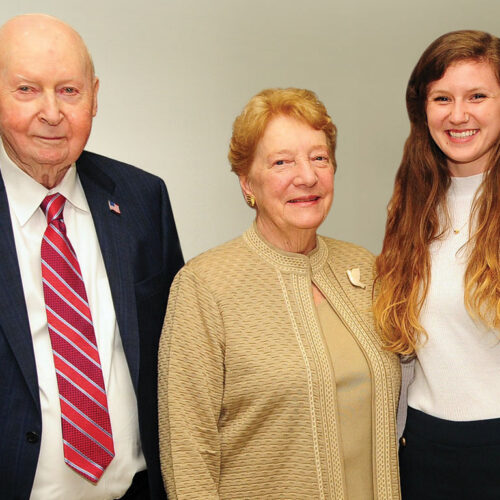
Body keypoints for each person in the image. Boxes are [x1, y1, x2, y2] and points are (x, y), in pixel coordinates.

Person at [158, 88, 401, 499]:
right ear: (246, 182)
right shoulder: (205, 285)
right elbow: (187, 452)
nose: (306, 176)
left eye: (319, 157)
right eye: (281, 162)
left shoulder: (365, 268)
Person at [0, 14, 183, 500]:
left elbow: (178, 359)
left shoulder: (143, 199)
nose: (51, 112)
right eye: (26, 90)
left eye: (69, 91)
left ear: (95, 96)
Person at [374, 30, 500, 499]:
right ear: (422, 108)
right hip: (422, 448)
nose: (458, 114)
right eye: (442, 97)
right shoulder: (411, 206)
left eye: (478, 96)